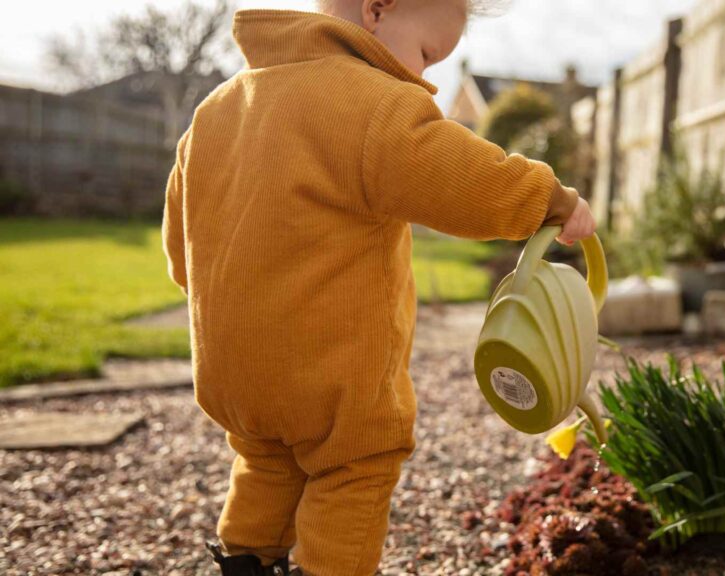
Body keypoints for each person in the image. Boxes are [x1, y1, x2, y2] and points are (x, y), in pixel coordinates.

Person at [161, 0, 597, 574]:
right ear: (376, 10)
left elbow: (182, 245)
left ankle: (245, 562)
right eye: (425, 54)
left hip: (229, 369)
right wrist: (550, 201)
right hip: (327, 370)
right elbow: (462, 179)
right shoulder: (370, 103)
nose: (424, 78)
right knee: (354, 463)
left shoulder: (214, 111)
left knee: (267, 459)